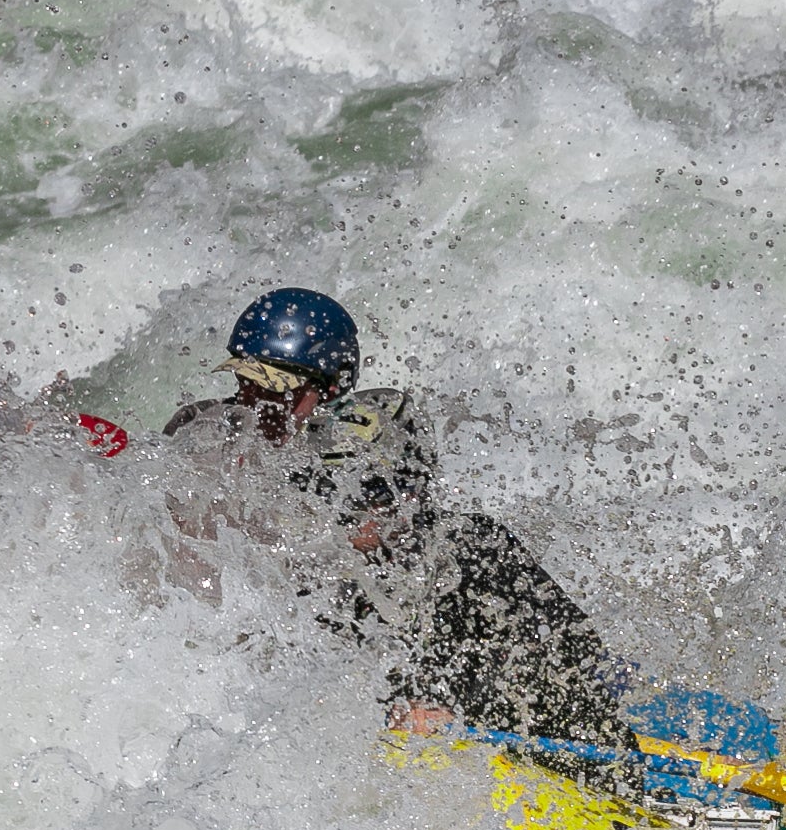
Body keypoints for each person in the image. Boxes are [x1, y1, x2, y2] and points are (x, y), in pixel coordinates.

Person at [161, 287, 645, 794]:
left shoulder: (370, 429)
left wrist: (429, 689)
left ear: (328, 390)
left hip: (425, 620)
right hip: (314, 624)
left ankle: (609, 759)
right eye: (247, 384)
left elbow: (375, 540)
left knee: (475, 547)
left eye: (276, 390)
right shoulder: (206, 430)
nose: (259, 405)